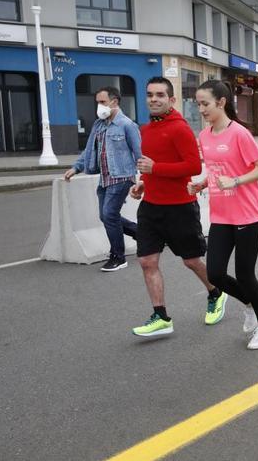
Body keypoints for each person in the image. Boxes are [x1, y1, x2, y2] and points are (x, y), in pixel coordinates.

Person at [129, 76, 226, 337]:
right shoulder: (145, 129)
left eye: (160, 95)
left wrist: (155, 169)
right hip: (150, 207)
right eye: (150, 95)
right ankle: (161, 316)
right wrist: (142, 183)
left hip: (179, 207)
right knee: (147, 261)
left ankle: (216, 293)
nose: (153, 99)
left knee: (192, 261)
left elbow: (193, 167)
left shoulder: (180, 128)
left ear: (171, 100)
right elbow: (151, 166)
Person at [188, 80, 258, 350]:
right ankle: (250, 301)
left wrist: (236, 181)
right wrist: (203, 183)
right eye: (198, 104)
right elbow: (216, 171)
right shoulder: (204, 136)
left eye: (205, 103)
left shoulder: (239, 133)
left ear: (221, 102)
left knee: (245, 274)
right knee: (214, 274)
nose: (201, 109)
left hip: (248, 215)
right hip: (221, 215)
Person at [64, 87, 141, 272]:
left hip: (122, 176)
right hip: (105, 178)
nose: (99, 106)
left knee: (109, 214)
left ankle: (118, 256)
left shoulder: (127, 125)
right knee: (105, 216)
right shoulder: (99, 125)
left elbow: (140, 153)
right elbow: (89, 150)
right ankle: (143, 234)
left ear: (114, 102)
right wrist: (76, 167)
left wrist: (143, 178)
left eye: (102, 102)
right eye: (97, 102)